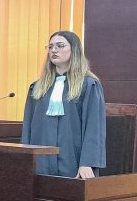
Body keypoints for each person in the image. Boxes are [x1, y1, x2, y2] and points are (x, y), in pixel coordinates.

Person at [21, 30, 106, 178]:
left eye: (60, 46)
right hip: (41, 162)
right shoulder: (37, 87)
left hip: (73, 160)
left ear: (74, 50)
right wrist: (25, 160)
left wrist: (87, 162)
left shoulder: (88, 85)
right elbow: (28, 127)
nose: (54, 50)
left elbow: (94, 127)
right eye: (50, 47)